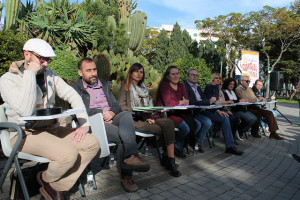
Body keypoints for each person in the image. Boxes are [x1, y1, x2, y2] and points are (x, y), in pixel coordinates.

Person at [0, 38, 100, 200]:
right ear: (27, 55)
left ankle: (51, 183)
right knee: (69, 154)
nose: (46, 64)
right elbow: (24, 109)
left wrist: (84, 123)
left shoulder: (49, 75)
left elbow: (71, 94)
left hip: (51, 129)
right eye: (42, 59)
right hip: (23, 134)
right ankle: (47, 181)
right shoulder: (8, 79)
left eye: (48, 60)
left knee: (92, 144)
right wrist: (30, 73)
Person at [73, 58, 150, 192]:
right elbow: (80, 110)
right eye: (88, 70)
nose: (93, 73)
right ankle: (127, 176)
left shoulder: (104, 84)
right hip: (94, 122)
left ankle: (131, 156)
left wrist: (112, 112)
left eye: (94, 69)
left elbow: (117, 105)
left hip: (111, 116)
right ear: (80, 72)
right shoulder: (75, 89)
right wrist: (101, 113)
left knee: (126, 115)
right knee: (122, 137)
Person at [118, 63, 181, 177]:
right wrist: (136, 110)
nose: (139, 74)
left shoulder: (144, 88)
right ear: (131, 73)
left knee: (169, 123)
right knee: (164, 130)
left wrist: (154, 111)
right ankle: (169, 161)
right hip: (134, 120)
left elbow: (148, 106)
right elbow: (121, 106)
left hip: (148, 117)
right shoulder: (126, 87)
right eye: (136, 71)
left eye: (141, 72)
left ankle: (169, 158)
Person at [184, 69, 243, 155]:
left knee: (224, 117)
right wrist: (208, 102)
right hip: (194, 112)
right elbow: (191, 101)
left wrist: (217, 111)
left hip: (204, 110)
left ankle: (230, 146)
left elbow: (208, 101)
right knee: (207, 122)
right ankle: (197, 143)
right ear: (187, 76)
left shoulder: (198, 88)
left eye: (196, 75)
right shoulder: (185, 87)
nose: (195, 76)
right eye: (193, 75)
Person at [155, 66, 201, 158]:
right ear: (168, 76)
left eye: (177, 73)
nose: (176, 76)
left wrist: (181, 102)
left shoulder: (181, 86)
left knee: (197, 124)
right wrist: (180, 102)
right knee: (186, 128)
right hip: (165, 114)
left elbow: (186, 101)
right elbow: (168, 104)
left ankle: (178, 146)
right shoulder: (165, 86)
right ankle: (177, 147)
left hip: (179, 113)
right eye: (173, 74)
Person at [235, 75, 284, 140]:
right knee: (258, 114)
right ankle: (254, 132)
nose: (248, 83)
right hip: (246, 108)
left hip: (255, 106)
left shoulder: (249, 89)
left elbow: (254, 98)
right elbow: (245, 100)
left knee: (269, 113)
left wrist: (260, 99)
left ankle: (273, 133)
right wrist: (257, 100)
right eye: (246, 81)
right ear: (241, 82)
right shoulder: (238, 89)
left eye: (249, 81)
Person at [204, 73, 241, 143]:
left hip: (222, 109)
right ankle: (229, 140)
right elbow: (215, 102)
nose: (218, 80)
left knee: (236, 116)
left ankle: (232, 138)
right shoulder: (209, 87)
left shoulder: (219, 88)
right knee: (230, 117)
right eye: (216, 78)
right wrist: (227, 103)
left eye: (219, 78)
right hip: (211, 110)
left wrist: (226, 109)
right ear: (213, 79)